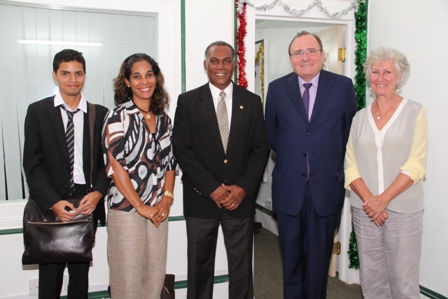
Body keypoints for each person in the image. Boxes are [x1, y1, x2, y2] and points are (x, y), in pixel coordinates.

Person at [173, 41, 269, 299]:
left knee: (241, 269)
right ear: (205, 65)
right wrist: (212, 188)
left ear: (235, 65)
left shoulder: (251, 102)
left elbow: (260, 149)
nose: (221, 66)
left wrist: (243, 188)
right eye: (214, 61)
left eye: (227, 60)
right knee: (199, 267)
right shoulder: (188, 101)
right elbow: (182, 149)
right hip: (201, 198)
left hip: (240, 201)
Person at [265, 31, 358, 299]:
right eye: (298, 53)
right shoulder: (277, 88)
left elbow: (348, 135)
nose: (305, 57)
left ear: (322, 55)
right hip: (289, 189)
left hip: (326, 188)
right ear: (291, 59)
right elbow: (272, 135)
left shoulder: (342, 86)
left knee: (318, 263)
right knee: (291, 260)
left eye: (311, 51)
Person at [23, 49, 109, 299]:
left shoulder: (99, 113)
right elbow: (32, 163)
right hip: (51, 203)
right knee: (49, 278)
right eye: (66, 73)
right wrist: (52, 202)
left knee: (80, 277)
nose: (73, 79)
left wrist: (98, 193)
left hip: (86, 202)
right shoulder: (38, 111)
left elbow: (108, 162)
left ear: (85, 75)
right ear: (55, 75)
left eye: (78, 73)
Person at [344, 47, 428, 299]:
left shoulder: (415, 112)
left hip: (403, 210)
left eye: (388, 72)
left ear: (400, 77)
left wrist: (383, 200)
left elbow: (416, 164)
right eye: (375, 71)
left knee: (403, 282)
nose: (380, 77)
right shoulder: (359, 118)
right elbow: (350, 165)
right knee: (371, 279)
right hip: (365, 210)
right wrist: (371, 201)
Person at [102, 53, 177, 299]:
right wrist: (140, 206)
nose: (144, 81)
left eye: (149, 74)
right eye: (136, 76)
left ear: (156, 78)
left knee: (154, 278)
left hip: (158, 209)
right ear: (126, 82)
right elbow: (115, 168)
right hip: (126, 209)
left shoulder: (164, 118)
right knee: (127, 280)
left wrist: (166, 199)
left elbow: (170, 163)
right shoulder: (118, 116)